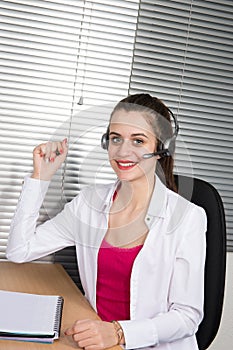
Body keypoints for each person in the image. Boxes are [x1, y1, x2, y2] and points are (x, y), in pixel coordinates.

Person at [6, 93, 207, 350]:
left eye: (138, 140)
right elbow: (19, 251)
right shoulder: (88, 204)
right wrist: (40, 178)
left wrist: (119, 332)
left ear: (161, 148)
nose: (123, 151)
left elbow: (187, 317)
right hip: (95, 338)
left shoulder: (188, 218)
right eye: (116, 139)